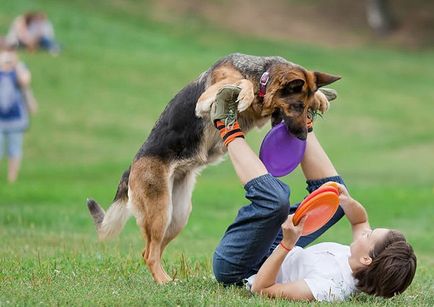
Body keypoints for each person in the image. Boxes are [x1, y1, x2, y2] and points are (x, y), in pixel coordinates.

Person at [209, 86, 416, 302]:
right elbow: (359, 221)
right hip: (274, 250)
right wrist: (346, 200)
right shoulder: (359, 257)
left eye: (369, 235)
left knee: (276, 200)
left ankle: (225, 121)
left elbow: (262, 288)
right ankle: (295, 117)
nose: (366, 231)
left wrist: (287, 244)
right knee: (334, 200)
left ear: (366, 259)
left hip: (241, 267)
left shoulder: (329, 287)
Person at [0, 41, 37, 183]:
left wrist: (15, 65)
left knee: (14, 149)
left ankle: (12, 179)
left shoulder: (19, 68)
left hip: (16, 117)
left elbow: (25, 81)